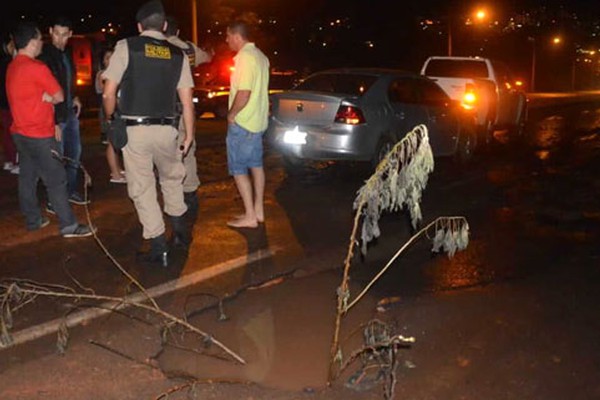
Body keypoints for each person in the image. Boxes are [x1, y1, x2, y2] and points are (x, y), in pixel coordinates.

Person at [102, 0, 195, 267]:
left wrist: (111, 117)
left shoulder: (127, 46)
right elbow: (187, 101)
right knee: (172, 180)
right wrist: (188, 135)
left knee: (143, 188)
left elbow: (109, 91)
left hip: (136, 130)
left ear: (140, 26)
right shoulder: (178, 54)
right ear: (164, 26)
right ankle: (179, 234)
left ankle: (158, 246)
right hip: (168, 129)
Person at [6, 21, 93, 237]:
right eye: (39, 38)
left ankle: (33, 220)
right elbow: (60, 96)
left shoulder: (13, 66)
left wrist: (44, 97)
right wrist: (48, 97)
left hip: (20, 133)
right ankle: (69, 226)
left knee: (27, 177)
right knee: (56, 179)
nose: (42, 42)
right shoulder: (37, 67)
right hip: (40, 135)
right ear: (33, 42)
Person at [164, 15, 212, 223]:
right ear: (177, 32)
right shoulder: (189, 48)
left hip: (163, 108)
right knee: (187, 149)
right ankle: (190, 191)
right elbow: (208, 58)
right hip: (185, 108)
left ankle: (171, 197)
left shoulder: (157, 46)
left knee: (164, 152)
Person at [38, 16, 88, 206]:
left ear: (70, 34)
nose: (59, 39)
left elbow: (66, 82)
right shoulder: (45, 56)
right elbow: (45, 91)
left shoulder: (66, 54)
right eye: (56, 34)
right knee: (56, 160)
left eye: (64, 35)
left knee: (74, 155)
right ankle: (54, 200)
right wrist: (54, 121)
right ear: (50, 31)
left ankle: (70, 191)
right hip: (56, 117)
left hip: (69, 114)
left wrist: (74, 96)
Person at [225, 21, 270, 228]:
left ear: (236, 36)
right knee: (257, 166)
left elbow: (244, 92)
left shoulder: (245, 58)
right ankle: (258, 210)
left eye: (228, 36)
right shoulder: (261, 57)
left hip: (243, 123)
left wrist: (231, 114)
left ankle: (250, 215)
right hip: (258, 123)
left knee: (239, 168)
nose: (226, 41)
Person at [95, 47, 126, 184]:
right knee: (112, 142)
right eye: (107, 58)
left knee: (117, 140)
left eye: (113, 57)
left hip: (118, 110)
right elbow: (106, 92)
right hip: (108, 110)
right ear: (103, 61)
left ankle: (118, 169)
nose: (110, 60)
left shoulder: (116, 73)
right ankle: (115, 173)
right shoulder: (103, 74)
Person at [0, 33, 19, 174]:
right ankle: (14, 162)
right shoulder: (9, 62)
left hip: (3, 104)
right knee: (12, 133)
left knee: (6, 133)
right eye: (12, 45)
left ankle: (9, 161)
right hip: (9, 103)